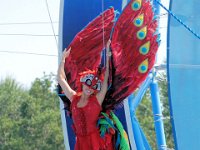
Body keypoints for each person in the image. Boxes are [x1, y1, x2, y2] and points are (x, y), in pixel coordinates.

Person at [57, 40, 114, 150]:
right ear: (82, 83)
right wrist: (63, 59)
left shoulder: (97, 100)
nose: (90, 88)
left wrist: (108, 54)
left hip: (95, 141)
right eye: (88, 84)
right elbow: (60, 79)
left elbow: (106, 79)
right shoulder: (73, 97)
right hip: (81, 143)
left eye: (93, 87)